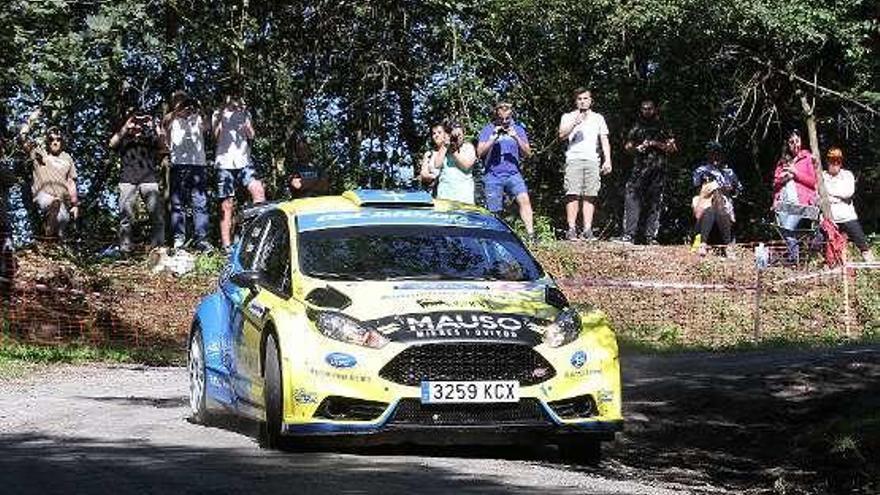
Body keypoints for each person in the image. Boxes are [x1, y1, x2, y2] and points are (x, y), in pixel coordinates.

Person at [619, 99, 677, 244]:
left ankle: (651, 237)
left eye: (649, 108)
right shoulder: (636, 126)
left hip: (658, 169)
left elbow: (673, 148)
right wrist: (637, 148)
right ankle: (629, 235)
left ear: (654, 109)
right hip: (639, 169)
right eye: (644, 109)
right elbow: (628, 146)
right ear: (641, 110)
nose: (647, 111)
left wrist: (655, 144)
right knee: (632, 198)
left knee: (655, 202)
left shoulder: (663, 127)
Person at [557, 88, 612, 241]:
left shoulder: (598, 118)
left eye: (585, 98)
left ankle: (587, 229)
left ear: (590, 100)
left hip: (593, 159)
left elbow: (604, 140)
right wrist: (575, 123)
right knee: (572, 193)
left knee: (590, 194)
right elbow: (561, 135)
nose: (582, 101)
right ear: (576, 101)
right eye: (579, 98)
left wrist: (608, 160)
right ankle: (571, 229)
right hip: (573, 158)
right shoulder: (568, 116)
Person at [213, 93, 265, 252]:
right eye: (232, 99)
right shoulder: (218, 113)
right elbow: (216, 136)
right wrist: (223, 113)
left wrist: (245, 117)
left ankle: (259, 236)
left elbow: (251, 135)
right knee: (226, 204)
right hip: (224, 163)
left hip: (244, 162)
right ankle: (226, 246)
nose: (235, 102)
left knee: (258, 191)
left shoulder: (245, 113)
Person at [109, 107, 165, 252]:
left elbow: (164, 147)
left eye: (141, 121)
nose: (138, 123)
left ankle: (158, 248)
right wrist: (126, 126)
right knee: (125, 216)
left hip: (149, 180)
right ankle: (125, 248)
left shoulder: (149, 137)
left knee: (157, 216)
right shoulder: (125, 138)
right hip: (127, 180)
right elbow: (111, 143)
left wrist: (155, 126)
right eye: (135, 120)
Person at [477, 101, 535, 242]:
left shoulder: (518, 129)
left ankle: (531, 235)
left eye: (506, 119)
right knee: (494, 210)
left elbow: (528, 153)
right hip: (493, 175)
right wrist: (492, 138)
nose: (504, 122)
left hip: (513, 174)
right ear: (496, 115)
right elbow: (479, 153)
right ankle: (495, 238)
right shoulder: (487, 129)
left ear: (511, 115)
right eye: (500, 119)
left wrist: (516, 137)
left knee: (524, 200)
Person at [18, 110, 79, 240]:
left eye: (58, 139)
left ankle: (50, 242)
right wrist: (31, 119)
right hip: (43, 194)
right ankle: (48, 231)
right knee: (53, 204)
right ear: (47, 141)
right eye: (51, 139)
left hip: (64, 199)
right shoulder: (39, 153)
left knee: (60, 233)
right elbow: (22, 138)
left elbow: (71, 181)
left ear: (63, 141)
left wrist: (75, 205)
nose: (55, 142)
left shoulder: (67, 158)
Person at [163, 91, 212, 251]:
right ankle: (179, 239)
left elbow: (208, 127)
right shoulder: (171, 119)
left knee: (200, 203)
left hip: (198, 165)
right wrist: (178, 111)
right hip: (178, 165)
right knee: (178, 204)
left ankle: (202, 239)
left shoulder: (197, 117)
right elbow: (165, 126)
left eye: (183, 100)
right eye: (178, 101)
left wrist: (200, 109)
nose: (182, 103)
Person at [772, 129, 817, 263]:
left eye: (797, 141)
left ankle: (794, 259)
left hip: (801, 203)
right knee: (784, 231)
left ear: (801, 141)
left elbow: (814, 182)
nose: (795, 144)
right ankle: (796, 259)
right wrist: (782, 179)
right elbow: (775, 184)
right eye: (792, 142)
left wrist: (795, 173)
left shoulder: (808, 158)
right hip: (783, 203)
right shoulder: (782, 161)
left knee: (788, 229)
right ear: (788, 144)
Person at [822, 147, 874, 262]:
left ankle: (872, 267)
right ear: (827, 161)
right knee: (824, 247)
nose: (835, 163)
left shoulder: (847, 175)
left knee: (863, 245)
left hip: (848, 217)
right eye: (832, 160)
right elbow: (819, 193)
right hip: (830, 219)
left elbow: (848, 192)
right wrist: (834, 195)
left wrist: (828, 194)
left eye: (838, 161)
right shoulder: (822, 176)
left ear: (841, 162)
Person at [691, 141, 742, 258]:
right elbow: (695, 188)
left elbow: (739, 189)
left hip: (725, 205)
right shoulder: (701, 170)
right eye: (712, 153)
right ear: (708, 155)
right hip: (704, 203)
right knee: (711, 206)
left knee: (719, 203)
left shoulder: (729, 172)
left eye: (718, 153)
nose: (715, 156)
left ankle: (722, 245)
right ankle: (718, 244)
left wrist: (731, 189)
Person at [419, 121, 477, 204]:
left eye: (459, 135)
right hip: (444, 196)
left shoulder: (468, 147)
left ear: (464, 134)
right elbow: (437, 164)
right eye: (454, 136)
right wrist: (446, 145)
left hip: (464, 197)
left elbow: (466, 165)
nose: (457, 138)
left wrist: (453, 151)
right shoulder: (444, 149)